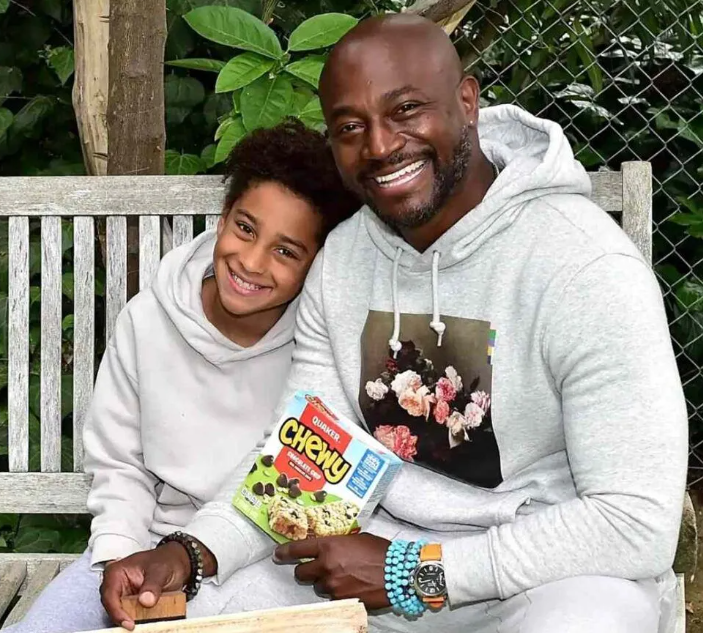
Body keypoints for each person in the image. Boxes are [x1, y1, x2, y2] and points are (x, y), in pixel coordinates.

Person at [103, 14, 685, 633]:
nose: (379, 147)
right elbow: (309, 465)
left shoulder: (585, 268)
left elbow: (634, 522)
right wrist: (191, 553)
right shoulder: (343, 263)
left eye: (406, 110)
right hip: (366, 564)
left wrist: (416, 572)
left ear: (467, 101)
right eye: (351, 127)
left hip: (543, 580)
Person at [2, 119, 359, 633]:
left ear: (316, 264)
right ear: (222, 217)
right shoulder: (148, 320)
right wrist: (118, 558)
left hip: (266, 563)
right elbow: (120, 466)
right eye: (245, 228)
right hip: (144, 546)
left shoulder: (320, 350)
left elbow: (300, 491)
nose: (253, 262)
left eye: (286, 251)